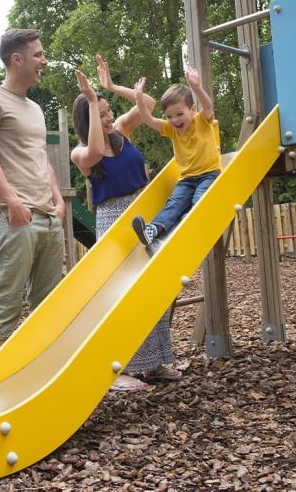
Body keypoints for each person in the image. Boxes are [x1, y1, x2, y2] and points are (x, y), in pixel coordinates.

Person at [70, 55, 182, 391]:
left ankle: (155, 362)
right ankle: (121, 365)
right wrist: (90, 100)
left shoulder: (121, 131)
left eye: (107, 112)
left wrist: (109, 88)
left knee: (159, 285)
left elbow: (148, 103)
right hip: (113, 220)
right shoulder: (81, 153)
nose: (107, 118)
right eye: (99, 114)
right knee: (124, 293)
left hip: (145, 210)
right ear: (87, 117)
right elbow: (93, 153)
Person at [0, 29, 66, 358]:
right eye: (38, 55)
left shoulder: (35, 109)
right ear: (17, 59)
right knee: (6, 307)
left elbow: (40, 156)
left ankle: (40, 381)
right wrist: (12, 201)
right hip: (15, 219)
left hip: (48, 218)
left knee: (49, 307)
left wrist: (58, 196)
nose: (44, 61)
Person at [131, 66, 220, 253]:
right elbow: (148, 120)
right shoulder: (172, 130)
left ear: (192, 109)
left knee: (199, 201)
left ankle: (182, 229)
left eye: (180, 114)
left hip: (209, 175)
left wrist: (196, 87)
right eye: (169, 116)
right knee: (174, 203)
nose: (175, 120)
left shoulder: (202, 121)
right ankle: (153, 230)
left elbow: (209, 106)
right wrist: (139, 98)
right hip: (186, 180)